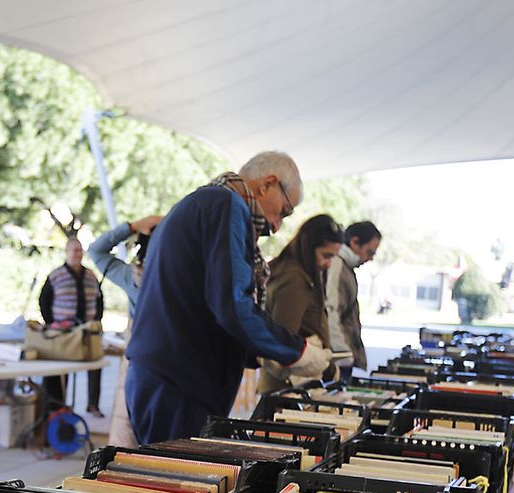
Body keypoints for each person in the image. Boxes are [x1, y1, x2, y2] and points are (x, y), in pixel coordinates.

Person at [125, 152, 333, 443]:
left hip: (166, 377)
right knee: (181, 480)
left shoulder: (202, 202)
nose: (276, 226)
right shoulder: (227, 205)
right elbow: (233, 305)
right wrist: (295, 351)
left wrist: (263, 351)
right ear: (266, 185)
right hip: (179, 382)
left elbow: (211, 300)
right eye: (283, 211)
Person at [89, 214, 163, 446]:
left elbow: (97, 251)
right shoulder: (188, 278)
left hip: (137, 361)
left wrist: (131, 226)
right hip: (173, 368)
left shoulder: (134, 278)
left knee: (126, 426)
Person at [257, 214, 345, 395]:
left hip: (294, 384)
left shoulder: (299, 272)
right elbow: (284, 338)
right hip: (287, 386)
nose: (328, 264)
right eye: (326, 255)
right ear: (308, 247)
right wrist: (322, 363)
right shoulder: (294, 278)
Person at [39, 235, 106, 417]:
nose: (78, 254)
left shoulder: (91, 275)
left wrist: (97, 320)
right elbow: (44, 300)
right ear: (66, 252)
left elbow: (99, 300)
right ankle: (57, 406)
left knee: (95, 364)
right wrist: (51, 322)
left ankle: (93, 404)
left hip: (87, 330)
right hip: (63, 331)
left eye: (80, 250)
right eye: (74, 250)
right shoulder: (56, 275)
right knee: (60, 368)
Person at [324, 220, 381, 378]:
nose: (370, 259)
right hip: (337, 359)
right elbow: (331, 311)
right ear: (355, 242)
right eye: (369, 252)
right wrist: (343, 353)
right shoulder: (337, 265)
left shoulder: (345, 267)